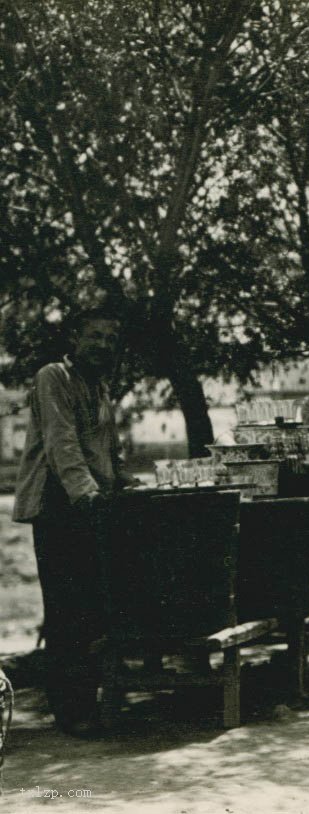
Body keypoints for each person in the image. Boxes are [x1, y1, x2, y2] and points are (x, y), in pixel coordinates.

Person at [13, 305, 141, 735]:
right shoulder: (54, 377)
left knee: (94, 611)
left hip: (91, 508)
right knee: (68, 612)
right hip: (59, 508)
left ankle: (92, 703)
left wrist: (130, 483)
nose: (103, 346)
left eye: (110, 339)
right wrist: (89, 496)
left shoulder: (99, 386)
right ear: (75, 339)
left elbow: (108, 451)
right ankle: (71, 714)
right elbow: (62, 446)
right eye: (95, 337)